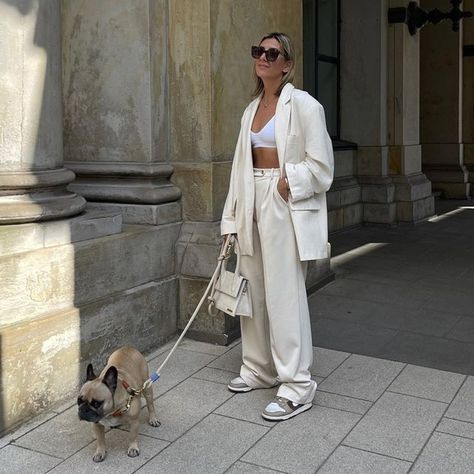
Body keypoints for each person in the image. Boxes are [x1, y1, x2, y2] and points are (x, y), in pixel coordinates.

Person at [221, 32, 334, 421]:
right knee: (252, 286)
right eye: (259, 51)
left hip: (282, 200)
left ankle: (297, 385)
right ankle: (258, 368)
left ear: (287, 64)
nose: (263, 58)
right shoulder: (250, 109)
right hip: (250, 198)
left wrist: (290, 180)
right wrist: (231, 219)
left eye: (273, 53)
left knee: (285, 294)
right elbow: (239, 169)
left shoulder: (304, 105)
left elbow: (323, 167)